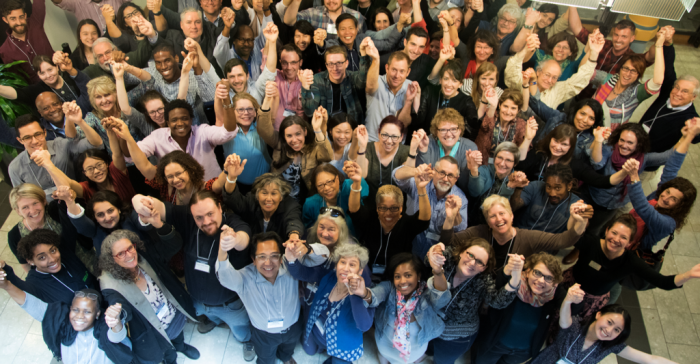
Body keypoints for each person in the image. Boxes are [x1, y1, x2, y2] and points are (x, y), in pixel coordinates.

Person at [132, 190, 257, 354]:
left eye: (210, 214)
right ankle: (214, 320)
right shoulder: (187, 217)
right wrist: (138, 199)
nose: (206, 221)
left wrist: (234, 240)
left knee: (242, 331)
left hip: (230, 305)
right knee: (210, 316)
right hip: (198, 301)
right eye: (199, 218)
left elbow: (244, 238)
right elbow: (157, 206)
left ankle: (247, 341)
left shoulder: (233, 223)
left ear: (220, 208)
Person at [559, 214, 700, 321]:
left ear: (630, 242)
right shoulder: (591, 242)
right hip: (569, 286)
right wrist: (574, 216)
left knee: (574, 324)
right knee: (555, 312)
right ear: (607, 230)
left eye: (623, 237)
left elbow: (662, 282)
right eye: (614, 233)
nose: (616, 239)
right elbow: (571, 236)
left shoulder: (630, 261)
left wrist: (689, 275)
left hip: (591, 302)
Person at [98, 229, 201, 364]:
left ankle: (181, 346)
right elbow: (118, 303)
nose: (129, 254)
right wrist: (117, 317)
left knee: (178, 334)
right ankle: (171, 359)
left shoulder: (143, 257)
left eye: (130, 248)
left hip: (172, 312)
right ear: (112, 259)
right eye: (121, 253)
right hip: (155, 330)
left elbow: (172, 246)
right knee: (167, 351)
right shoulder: (110, 284)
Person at [425, 238, 523, 364]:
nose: (472, 263)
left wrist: (515, 278)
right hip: (430, 323)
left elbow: (497, 302)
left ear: (484, 268)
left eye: (479, 262)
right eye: (470, 255)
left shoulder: (483, 281)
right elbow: (428, 260)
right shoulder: (449, 258)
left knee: (442, 361)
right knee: (429, 351)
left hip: (455, 337)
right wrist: (434, 250)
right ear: (461, 252)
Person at [216, 231, 302, 364]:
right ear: (253, 259)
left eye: (274, 256)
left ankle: (285, 357)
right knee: (265, 357)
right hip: (264, 334)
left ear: (281, 257)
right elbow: (225, 276)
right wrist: (223, 248)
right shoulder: (244, 277)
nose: (268, 263)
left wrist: (301, 245)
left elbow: (319, 258)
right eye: (262, 256)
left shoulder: (292, 266)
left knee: (288, 349)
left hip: (292, 328)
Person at [0, 280, 134, 364]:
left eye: (87, 312)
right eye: (75, 310)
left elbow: (116, 336)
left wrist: (115, 322)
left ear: (97, 314)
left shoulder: (103, 327)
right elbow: (32, 304)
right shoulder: (62, 324)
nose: (79, 316)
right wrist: (7, 286)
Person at [440, 195, 590, 269]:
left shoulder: (528, 237)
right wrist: (450, 217)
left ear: (511, 216)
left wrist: (581, 222)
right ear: (488, 222)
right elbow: (448, 242)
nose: (498, 219)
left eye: (502, 213)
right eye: (492, 216)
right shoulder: (479, 232)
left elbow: (563, 241)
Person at [286, 241, 375, 363]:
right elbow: (303, 273)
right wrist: (291, 260)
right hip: (318, 333)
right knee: (309, 351)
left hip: (342, 345)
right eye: (342, 262)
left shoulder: (364, 293)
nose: (346, 268)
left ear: (360, 271)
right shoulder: (329, 277)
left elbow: (364, 326)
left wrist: (354, 293)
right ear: (336, 265)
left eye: (352, 265)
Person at [472, 253, 566, 364]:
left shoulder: (552, 293)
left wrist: (566, 293)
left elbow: (574, 309)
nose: (541, 280)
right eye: (537, 273)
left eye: (548, 278)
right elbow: (498, 285)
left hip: (522, 352)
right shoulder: (515, 281)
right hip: (494, 344)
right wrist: (508, 269)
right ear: (528, 271)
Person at [532, 293, 676, 364]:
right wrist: (568, 300)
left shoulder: (610, 346)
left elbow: (650, 359)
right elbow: (565, 318)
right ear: (599, 314)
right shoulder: (575, 326)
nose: (609, 330)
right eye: (609, 322)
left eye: (617, 330)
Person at [346, 160, 431, 279]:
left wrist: (421, 189)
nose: (388, 213)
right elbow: (354, 209)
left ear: (401, 208)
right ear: (377, 208)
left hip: (396, 278)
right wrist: (356, 182)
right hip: (365, 273)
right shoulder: (370, 219)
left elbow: (424, 218)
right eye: (383, 208)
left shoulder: (406, 224)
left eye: (394, 208)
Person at [119, 99, 238, 181]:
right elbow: (131, 156)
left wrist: (227, 102)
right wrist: (121, 135)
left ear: (191, 120)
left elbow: (228, 133)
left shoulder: (203, 131)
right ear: (168, 123)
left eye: (184, 118)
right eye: (174, 120)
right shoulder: (157, 137)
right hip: (180, 196)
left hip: (213, 189)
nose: (180, 123)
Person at [368, 253, 450, 364]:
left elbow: (441, 297)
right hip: (384, 349)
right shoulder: (389, 288)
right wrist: (364, 293)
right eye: (397, 276)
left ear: (419, 276)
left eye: (408, 275)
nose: (402, 281)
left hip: (414, 354)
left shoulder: (427, 294)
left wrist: (438, 271)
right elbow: (374, 296)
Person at [9, 106, 104, 200]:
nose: (34, 141)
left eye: (38, 134)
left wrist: (80, 121)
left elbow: (96, 145)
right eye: (27, 138)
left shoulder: (61, 145)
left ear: (45, 132)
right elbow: (21, 198)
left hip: (76, 199)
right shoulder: (15, 167)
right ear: (20, 140)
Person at [259, 87, 333, 200]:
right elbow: (264, 129)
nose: (294, 140)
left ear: (305, 132)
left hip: (307, 197)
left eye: (298, 134)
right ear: (284, 136)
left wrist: (317, 129)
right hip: (281, 199)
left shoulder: (313, 147)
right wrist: (267, 101)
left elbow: (328, 157)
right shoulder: (279, 143)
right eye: (289, 136)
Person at [568, 8, 657, 100]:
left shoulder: (632, 58)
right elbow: (578, 30)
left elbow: (650, 56)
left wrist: (661, 41)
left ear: (632, 38)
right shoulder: (602, 44)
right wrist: (572, 6)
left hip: (605, 104)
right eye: (616, 35)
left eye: (624, 36)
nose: (618, 40)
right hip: (582, 96)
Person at [638, 27, 700, 153]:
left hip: (650, 159)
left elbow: (695, 138)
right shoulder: (668, 92)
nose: (677, 93)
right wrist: (668, 43)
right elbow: (668, 67)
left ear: (694, 97)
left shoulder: (690, 117)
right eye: (677, 87)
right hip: (634, 142)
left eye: (685, 91)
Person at [591, 29, 667, 128]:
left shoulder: (637, 92)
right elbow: (586, 71)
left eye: (634, 71)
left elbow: (657, 81)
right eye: (626, 68)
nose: (628, 74)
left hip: (608, 138)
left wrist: (659, 45)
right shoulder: (606, 79)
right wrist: (592, 47)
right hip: (587, 127)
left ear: (638, 75)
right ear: (620, 69)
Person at [393, 157, 468, 257]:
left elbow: (460, 231)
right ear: (433, 171)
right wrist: (416, 171)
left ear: (456, 178)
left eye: (450, 175)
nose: (445, 179)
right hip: (408, 249)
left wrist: (455, 213)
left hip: (437, 256)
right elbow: (396, 176)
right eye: (442, 173)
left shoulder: (460, 198)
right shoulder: (420, 181)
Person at [506, 32, 602, 110]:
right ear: (538, 71)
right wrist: (526, 49)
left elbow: (581, 80)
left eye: (554, 77)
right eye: (547, 75)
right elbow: (511, 71)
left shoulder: (557, 91)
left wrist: (594, 53)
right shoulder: (524, 81)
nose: (549, 80)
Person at [222, 155, 305, 242]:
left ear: (281, 197)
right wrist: (232, 177)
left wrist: (294, 237)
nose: (269, 198)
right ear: (257, 195)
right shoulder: (251, 200)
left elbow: (294, 222)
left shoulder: (290, 205)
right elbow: (232, 199)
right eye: (264, 193)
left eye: (274, 193)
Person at [4, 228, 96, 305]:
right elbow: (15, 285)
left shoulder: (66, 254)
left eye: (53, 251)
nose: (52, 259)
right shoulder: (34, 284)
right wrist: (5, 269)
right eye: (42, 257)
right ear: (30, 261)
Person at [515, 124, 626, 188]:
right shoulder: (539, 153)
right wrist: (528, 139)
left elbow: (601, 181)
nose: (558, 147)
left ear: (570, 147)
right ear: (550, 139)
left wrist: (625, 172)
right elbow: (518, 165)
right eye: (556, 141)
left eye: (564, 144)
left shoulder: (574, 165)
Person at [140, 41, 219, 125]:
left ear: (176, 58)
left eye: (167, 60)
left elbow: (210, 98)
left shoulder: (192, 76)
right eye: (158, 63)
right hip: (168, 131)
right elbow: (130, 76)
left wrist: (196, 68)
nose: (163, 66)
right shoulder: (153, 72)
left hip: (196, 129)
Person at [300, 44, 371, 124]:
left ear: (346, 63)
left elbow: (363, 78)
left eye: (339, 63)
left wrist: (364, 54)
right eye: (330, 64)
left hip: (351, 129)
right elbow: (310, 112)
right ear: (326, 65)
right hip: (326, 130)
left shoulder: (353, 78)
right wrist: (305, 86)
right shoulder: (317, 79)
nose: (335, 68)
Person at [0, 54, 91, 114]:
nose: (48, 76)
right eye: (42, 73)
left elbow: (88, 87)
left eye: (50, 70)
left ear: (56, 67)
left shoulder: (69, 76)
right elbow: (17, 93)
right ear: (38, 75)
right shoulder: (37, 90)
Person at [219, 92, 272, 194]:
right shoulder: (227, 132)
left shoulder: (261, 128)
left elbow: (271, 115)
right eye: (240, 110)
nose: (246, 113)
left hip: (263, 185)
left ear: (255, 111)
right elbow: (219, 116)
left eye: (249, 109)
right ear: (232, 112)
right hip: (236, 187)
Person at [8, 184, 66, 272]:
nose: (32, 210)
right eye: (25, 207)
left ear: (43, 201)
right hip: (55, 274)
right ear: (18, 211)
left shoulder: (56, 210)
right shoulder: (15, 235)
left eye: (35, 203)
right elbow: (26, 266)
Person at [416, 58, 478, 140]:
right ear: (440, 80)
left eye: (454, 81)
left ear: (460, 84)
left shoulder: (466, 101)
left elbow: (472, 129)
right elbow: (417, 122)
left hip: (452, 145)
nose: (449, 84)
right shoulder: (429, 92)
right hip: (427, 141)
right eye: (446, 79)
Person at [526, 96, 605, 160]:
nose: (584, 120)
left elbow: (593, 163)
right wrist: (525, 85)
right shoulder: (559, 117)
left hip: (558, 172)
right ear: (575, 111)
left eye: (591, 118)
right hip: (534, 158)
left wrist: (598, 140)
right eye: (582, 113)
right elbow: (535, 104)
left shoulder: (590, 139)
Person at [302, 163, 368, 235]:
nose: (326, 188)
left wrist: (356, 182)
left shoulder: (350, 186)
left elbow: (361, 183)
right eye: (320, 185)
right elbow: (309, 233)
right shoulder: (310, 204)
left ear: (337, 178)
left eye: (329, 182)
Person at [475, 88, 537, 164]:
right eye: (505, 106)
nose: (508, 112)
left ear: (518, 110)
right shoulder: (491, 114)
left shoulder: (520, 124)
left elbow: (520, 157)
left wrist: (528, 138)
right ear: (500, 105)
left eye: (513, 108)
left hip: (505, 168)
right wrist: (493, 106)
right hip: (482, 165)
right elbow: (486, 125)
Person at [461, 143, 526, 215]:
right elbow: (475, 193)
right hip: (475, 216)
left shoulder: (517, 179)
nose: (502, 163)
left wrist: (509, 187)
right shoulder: (484, 170)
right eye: (500, 157)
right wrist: (474, 169)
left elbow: (506, 209)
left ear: (515, 164)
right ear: (494, 158)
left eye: (508, 160)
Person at [214, 16, 279, 84]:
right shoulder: (227, 56)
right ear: (234, 40)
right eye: (242, 40)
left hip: (257, 93)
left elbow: (269, 72)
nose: (247, 44)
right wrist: (227, 27)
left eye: (250, 40)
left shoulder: (256, 52)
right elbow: (218, 52)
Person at [0, 0, 53, 84]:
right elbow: (20, 81)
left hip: (59, 74)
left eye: (21, 17)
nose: (18, 22)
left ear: (25, 15)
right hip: (40, 89)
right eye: (13, 19)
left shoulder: (35, 22)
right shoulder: (5, 50)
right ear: (5, 20)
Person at [366, 50, 414, 142]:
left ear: (408, 72)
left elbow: (404, 123)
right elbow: (370, 86)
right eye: (394, 70)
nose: (397, 75)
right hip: (373, 142)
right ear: (387, 68)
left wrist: (409, 101)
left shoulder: (411, 87)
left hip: (396, 145)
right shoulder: (376, 80)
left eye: (402, 71)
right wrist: (376, 59)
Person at [356, 117, 410, 197]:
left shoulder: (406, 151)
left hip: (395, 207)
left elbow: (407, 181)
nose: (389, 141)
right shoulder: (368, 148)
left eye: (394, 137)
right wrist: (363, 146)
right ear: (379, 134)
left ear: (401, 137)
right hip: (368, 206)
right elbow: (361, 175)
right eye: (385, 135)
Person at [284, 0, 367, 37]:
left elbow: (362, 41)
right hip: (319, 63)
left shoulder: (356, 16)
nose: (331, 1)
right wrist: (296, 1)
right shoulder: (314, 13)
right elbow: (289, 21)